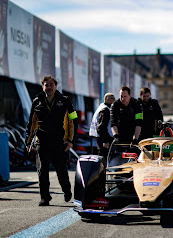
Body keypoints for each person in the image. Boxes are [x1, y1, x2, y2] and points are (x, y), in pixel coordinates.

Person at [25, 75, 78, 206]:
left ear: (56, 86)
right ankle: (45, 197)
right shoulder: (36, 101)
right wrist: (28, 140)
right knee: (42, 171)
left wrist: (71, 140)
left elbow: (74, 120)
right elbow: (31, 122)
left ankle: (67, 190)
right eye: (46, 85)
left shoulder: (65, 101)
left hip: (59, 141)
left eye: (51, 85)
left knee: (61, 170)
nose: (49, 87)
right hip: (42, 141)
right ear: (43, 86)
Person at [89, 93, 115, 159]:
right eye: (112, 99)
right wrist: (105, 141)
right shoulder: (105, 110)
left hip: (100, 137)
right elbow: (101, 127)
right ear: (107, 99)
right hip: (103, 139)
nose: (114, 101)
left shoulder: (101, 107)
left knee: (102, 159)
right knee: (104, 159)